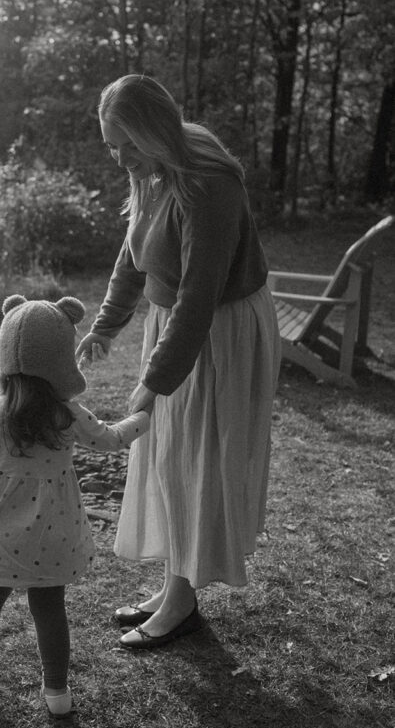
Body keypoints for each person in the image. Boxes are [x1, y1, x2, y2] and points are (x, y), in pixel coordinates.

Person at [76, 74, 281, 650]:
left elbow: (199, 295)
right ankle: (175, 590)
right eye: (111, 146)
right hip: (177, 326)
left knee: (193, 460)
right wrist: (106, 325)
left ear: (157, 133)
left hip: (218, 331)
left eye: (128, 146)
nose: (120, 159)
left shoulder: (207, 184)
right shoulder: (153, 171)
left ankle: (182, 601)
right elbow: (134, 249)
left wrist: (153, 383)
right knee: (167, 458)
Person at [0, 293, 151, 715]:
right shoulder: (68, 415)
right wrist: (144, 416)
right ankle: (57, 694)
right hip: (53, 532)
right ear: (60, 362)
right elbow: (112, 440)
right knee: (49, 610)